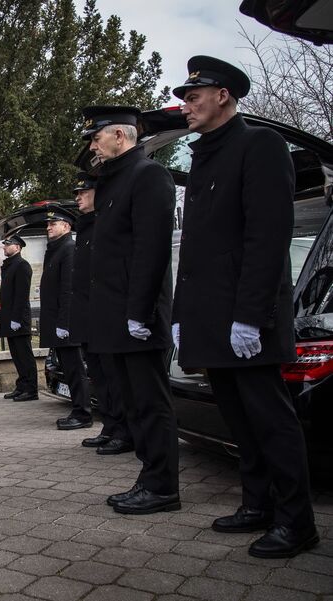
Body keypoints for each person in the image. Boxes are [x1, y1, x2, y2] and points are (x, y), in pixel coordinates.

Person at [172, 56, 317, 558]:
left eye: (193, 97)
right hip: (210, 318)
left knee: (271, 421)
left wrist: (251, 317)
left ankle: (297, 521)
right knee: (238, 420)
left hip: (245, 318)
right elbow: (194, 251)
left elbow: (267, 238)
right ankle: (257, 504)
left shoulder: (259, 145)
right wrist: (180, 315)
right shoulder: (204, 157)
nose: (185, 106)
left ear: (223, 96)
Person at [82, 105, 179, 515]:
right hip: (115, 316)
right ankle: (149, 477)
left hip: (137, 316)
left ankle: (163, 486)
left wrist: (140, 311)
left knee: (151, 404)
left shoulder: (148, 176)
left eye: (96, 137)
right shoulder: (115, 181)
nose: (92, 146)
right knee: (134, 404)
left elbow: (150, 251)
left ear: (119, 136)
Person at [70, 174, 133, 455]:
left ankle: (124, 431)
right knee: (100, 378)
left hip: (105, 315)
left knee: (114, 378)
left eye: (83, 192)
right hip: (88, 317)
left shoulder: (104, 223)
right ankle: (110, 426)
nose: (78, 197)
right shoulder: (85, 227)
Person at [40, 208, 92, 429]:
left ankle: (83, 413)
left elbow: (68, 290)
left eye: (53, 224)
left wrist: (64, 323)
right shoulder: (56, 249)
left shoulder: (68, 248)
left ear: (66, 226)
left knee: (75, 370)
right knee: (69, 370)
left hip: (65, 324)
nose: (49, 227)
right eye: (48, 224)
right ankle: (78, 409)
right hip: (57, 323)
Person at [0, 235, 38, 402]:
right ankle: (22, 386)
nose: (4, 247)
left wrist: (16, 318)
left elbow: (21, 295)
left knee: (25, 356)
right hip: (10, 318)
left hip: (18, 320)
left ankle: (31, 389)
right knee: (17, 356)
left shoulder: (22, 265)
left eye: (8, 244)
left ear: (17, 247)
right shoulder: (9, 265)